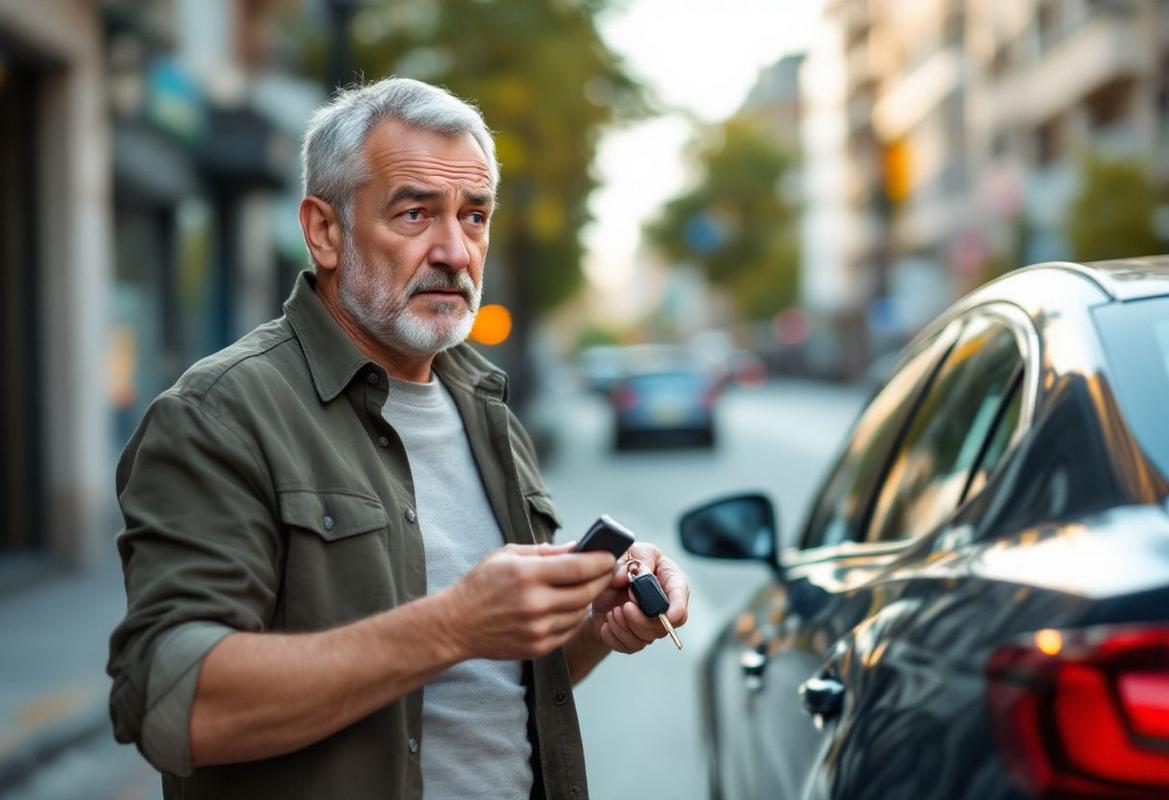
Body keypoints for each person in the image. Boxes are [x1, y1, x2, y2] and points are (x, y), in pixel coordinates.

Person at [106, 77, 690, 800]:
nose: (455, 251)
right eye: (415, 213)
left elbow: (493, 688)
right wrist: (453, 624)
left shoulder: (487, 410)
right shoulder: (219, 414)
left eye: (474, 216)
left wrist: (591, 624)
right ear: (325, 232)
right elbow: (173, 703)